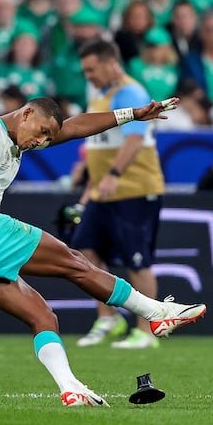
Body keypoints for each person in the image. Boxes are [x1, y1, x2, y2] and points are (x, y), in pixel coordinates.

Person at [0, 95, 206, 407]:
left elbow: (76, 127)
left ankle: (71, 388)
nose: (42, 141)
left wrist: (133, 115)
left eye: (47, 136)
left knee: (43, 316)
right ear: (27, 113)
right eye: (42, 131)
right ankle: (156, 313)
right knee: (75, 263)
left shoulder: (22, 137)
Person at [70, 39, 167, 350]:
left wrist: (113, 174)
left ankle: (147, 329)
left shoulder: (131, 93)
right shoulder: (100, 93)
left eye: (92, 69)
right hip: (102, 191)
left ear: (111, 63)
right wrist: (87, 175)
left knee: (137, 261)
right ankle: (109, 317)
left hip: (134, 189)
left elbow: (135, 139)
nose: (88, 76)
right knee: (83, 250)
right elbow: (99, 142)